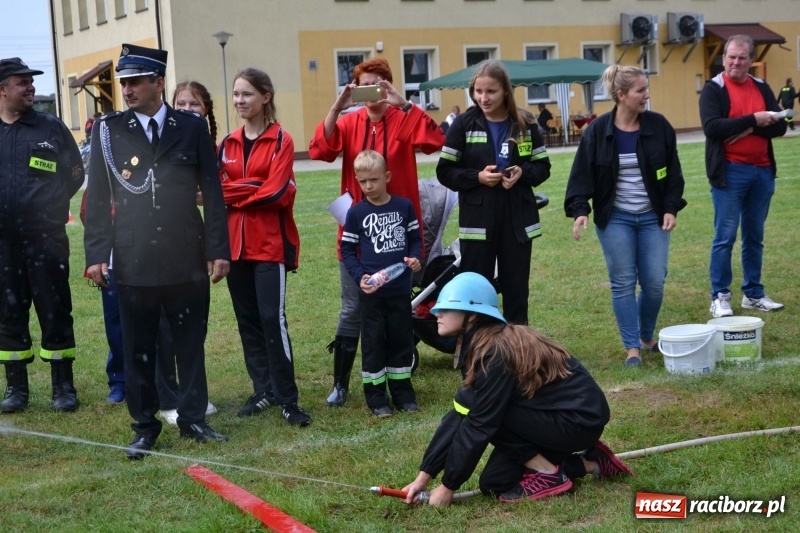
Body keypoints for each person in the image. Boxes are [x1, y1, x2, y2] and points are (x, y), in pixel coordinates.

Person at [84, 44, 231, 459]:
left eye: (134, 82)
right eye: (124, 83)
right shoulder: (109, 130)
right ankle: (145, 426)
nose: (127, 90)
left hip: (185, 253)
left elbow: (214, 194)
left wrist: (218, 249)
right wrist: (96, 254)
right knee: (139, 348)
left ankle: (193, 418)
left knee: (190, 342)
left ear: (158, 83)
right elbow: (97, 198)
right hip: (134, 259)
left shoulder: (190, 127)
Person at [401, 272, 633, 507]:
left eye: (447, 308)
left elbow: (480, 424)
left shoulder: (495, 354)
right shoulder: (482, 344)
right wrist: (423, 477)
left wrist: (448, 486)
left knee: (488, 412)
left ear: (472, 315)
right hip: (549, 418)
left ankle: (548, 474)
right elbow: (457, 415)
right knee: (496, 482)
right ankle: (592, 463)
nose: (436, 313)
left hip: (577, 422)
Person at [309, 57, 445, 407]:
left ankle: (397, 377)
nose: (372, 92)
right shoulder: (351, 122)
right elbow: (321, 149)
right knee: (353, 306)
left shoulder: (403, 118)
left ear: (387, 85)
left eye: (378, 84)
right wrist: (338, 105)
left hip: (398, 231)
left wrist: (403, 103)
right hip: (359, 230)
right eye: (364, 85)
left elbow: (434, 141)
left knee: (396, 306)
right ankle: (341, 382)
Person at [565, 65, 687, 367]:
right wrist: (580, 211)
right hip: (615, 218)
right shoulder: (598, 131)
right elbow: (581, 175)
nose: (647, 95)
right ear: (621, 95)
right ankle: (632, 347)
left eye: (646, 89)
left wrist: (670, 207)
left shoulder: (659, 127)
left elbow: (674, 173)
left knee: (655, 281)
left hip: (653, 217)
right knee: (622, 282)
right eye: (641, 90)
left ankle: (647, 336)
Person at [218, 68, 310, 427]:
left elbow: (276, 193)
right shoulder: (227, 143)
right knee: (248, 322)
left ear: (265, 97)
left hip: (269, 247)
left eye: (247, 94)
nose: (240, 101)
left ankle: (288, 398)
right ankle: (263, 390)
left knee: (273, 319)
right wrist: (250, 187)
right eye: (236, 94)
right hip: (235, 247)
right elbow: (214, 193)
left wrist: (238, 191)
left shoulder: (282, 141)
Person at [437, 59, 551, 325]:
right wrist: (477, 177)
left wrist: (523, 174)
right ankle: (479, 351)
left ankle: (518, 352)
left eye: (491, 92)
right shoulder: (463, 124)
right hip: (478, 222)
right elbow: (445, 172)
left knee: (516, 290)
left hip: (516, 220)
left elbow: (542, 167)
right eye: (478, 91)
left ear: (506, 92)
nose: (483, 98)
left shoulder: (525, 124)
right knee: (476, 290)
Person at [0, 57, 84, 413]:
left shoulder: (50, 128)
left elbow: (76, 173)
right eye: (22, 82)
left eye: (31, 81)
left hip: (45, 238)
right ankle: (16, 388)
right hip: (3, 243)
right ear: (2, 89)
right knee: (7, 311)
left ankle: (63, 386)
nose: (30, 86)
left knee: (54, 308)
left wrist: (48, 208)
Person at [699, 34, 787, 318]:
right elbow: (712, 127)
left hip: (762, 171)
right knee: (725, 236)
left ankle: (754, 294)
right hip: (730, 172)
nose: (736, 62)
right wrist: (754, 119)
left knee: (754, 236)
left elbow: (780, 126)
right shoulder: (714, 88)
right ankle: (720, 296)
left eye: (742, 57)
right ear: (723, 58)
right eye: (731, 57)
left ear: (751, 60)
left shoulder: (761, 86)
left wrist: (749, 128)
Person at [340, 150, 422, 417]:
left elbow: (415, 240)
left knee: (401, 341)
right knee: (373, 344)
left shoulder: (403, 206)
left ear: (387, 176)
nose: (368, 187)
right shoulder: (356, 213)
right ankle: (376, 398)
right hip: (372, 294)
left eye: (373, 180)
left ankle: (403, 393)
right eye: (362, 182)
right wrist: (360, 276)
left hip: (399, 290)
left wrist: (416, 258)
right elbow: (348, 251)